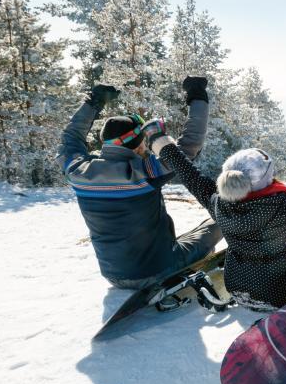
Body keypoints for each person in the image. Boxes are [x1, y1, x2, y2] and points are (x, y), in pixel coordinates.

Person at [148, 113, 286, 309]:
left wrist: (157, 139)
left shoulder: (217, 203)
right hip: (283, 291)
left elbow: (187, 172)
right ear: (266, 180)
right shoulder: (285, 206)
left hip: (235, 285)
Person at [57, 78, 222, 290]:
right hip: (159, 271)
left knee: (187, 236)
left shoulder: (77, 171)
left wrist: (94, 101)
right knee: (221, 220)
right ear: (137, 143)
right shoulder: (145, 172)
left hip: (112, 275)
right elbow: (189, 146)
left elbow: (70, 137)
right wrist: (197, 93)